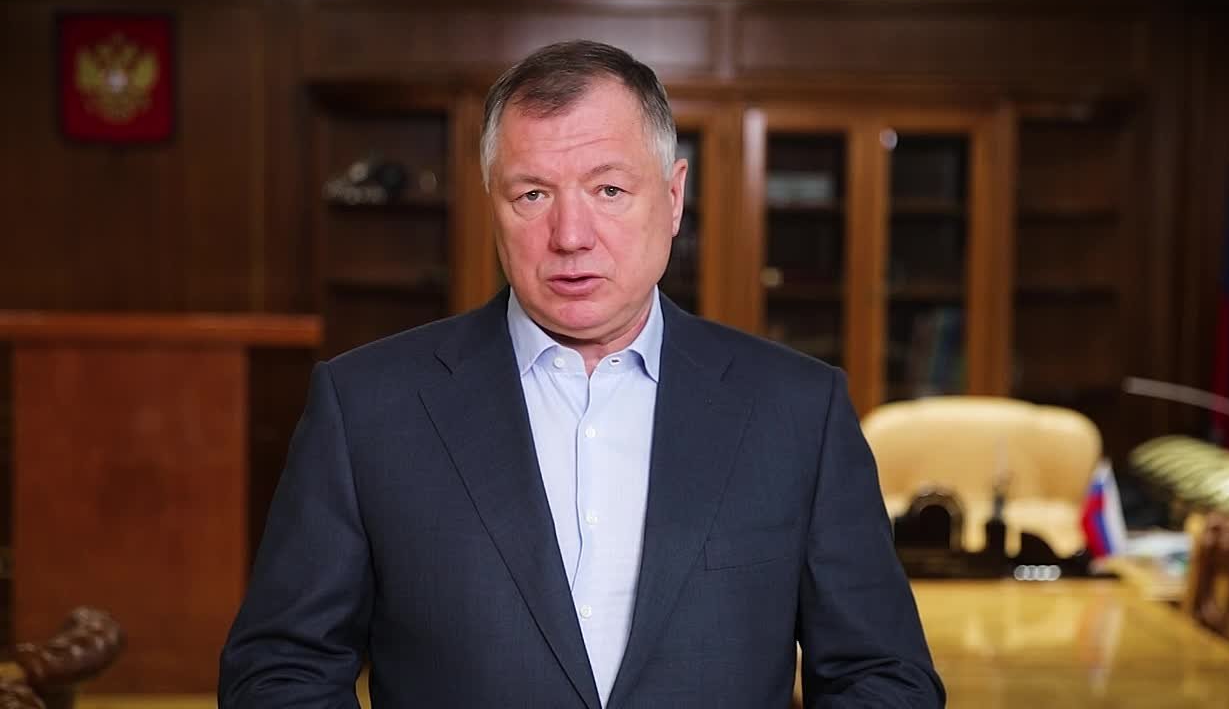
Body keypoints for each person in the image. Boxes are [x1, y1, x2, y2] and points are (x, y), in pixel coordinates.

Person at [219, 39, 943, 708]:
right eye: (532, 194)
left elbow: (885, 675)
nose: (569, 236)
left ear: (673, 197)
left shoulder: (799, 411)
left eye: (608, 191)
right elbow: (279, 670)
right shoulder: (368, 407)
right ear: (493, 205)